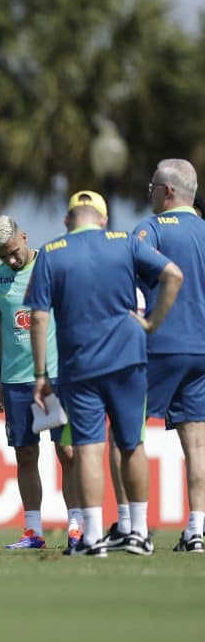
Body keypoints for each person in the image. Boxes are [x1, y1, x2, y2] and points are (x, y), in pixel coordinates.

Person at [27, 190, 183, 556]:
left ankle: (93, 537)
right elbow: (173, 275)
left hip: (80, 364)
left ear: (67, 221)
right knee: (132, 445)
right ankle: (140, 533)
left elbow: (37, 316)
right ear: (103, 219)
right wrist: (150, 323)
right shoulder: (125, 242)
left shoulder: (50, 252)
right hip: (129, 357)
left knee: (88, 449)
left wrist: (40, 374)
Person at [0, 215, 82, 550]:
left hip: (55, 378)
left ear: (24, 236)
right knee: (25, 454)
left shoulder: (50, 268)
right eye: (2, 256)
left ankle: (78, 526)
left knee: (67, 453)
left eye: (13, 251)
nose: (11, 260)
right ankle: (33, 530)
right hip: (16, 382)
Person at [134, 160, 205, 553]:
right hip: (202, 349)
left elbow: (126, 280)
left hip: (159, 345)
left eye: (152, 186)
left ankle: (135, 526)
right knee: (197, 444)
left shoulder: (152, 228)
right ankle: (196, 529)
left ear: (169, 192)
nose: (150, 192)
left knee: (129, 433)